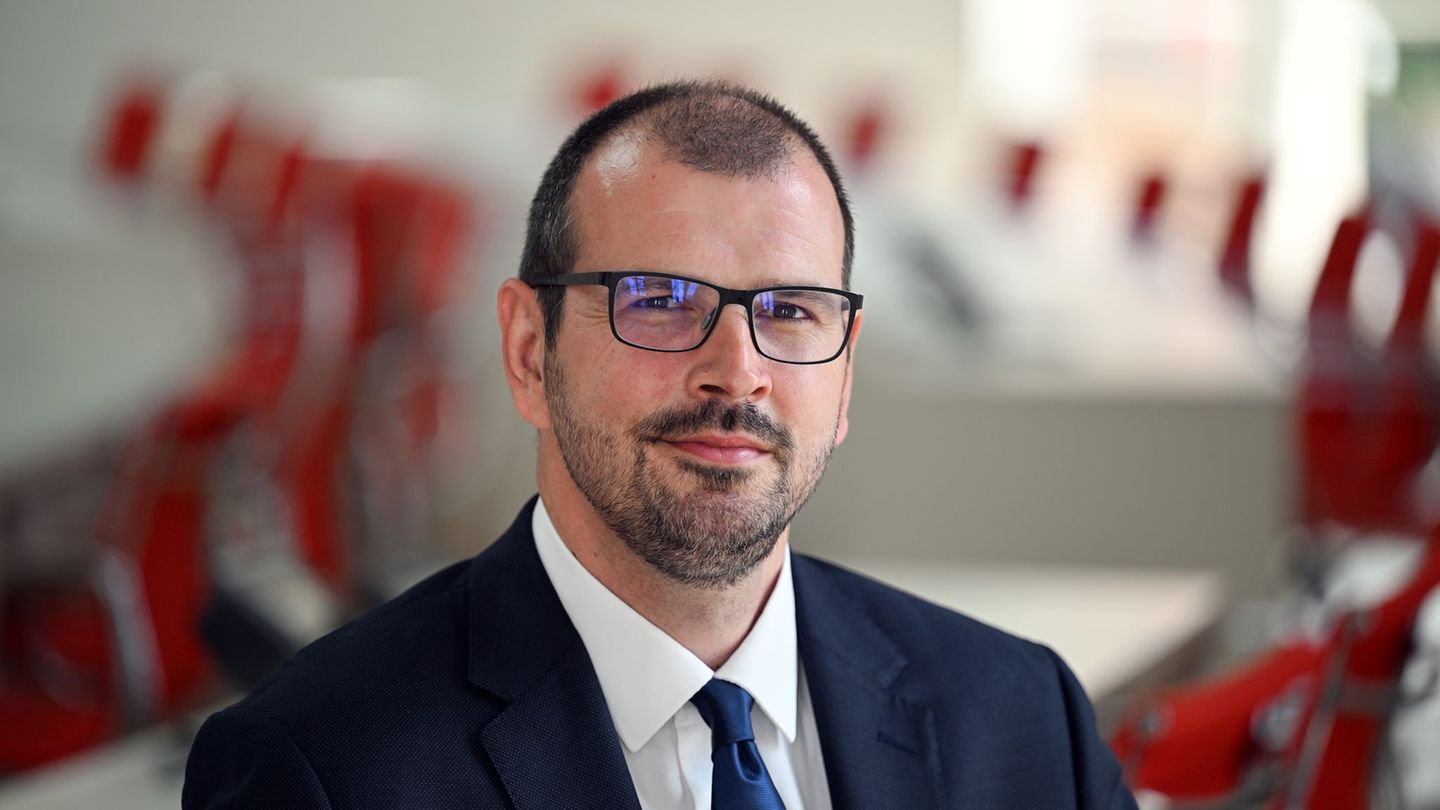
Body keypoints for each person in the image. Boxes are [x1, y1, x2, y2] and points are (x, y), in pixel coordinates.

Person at [184, 80, 1137, 809]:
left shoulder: (1021, 722)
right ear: (529, 353)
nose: (738, 371)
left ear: (843, 375)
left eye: (792, 311)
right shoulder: (320, 770)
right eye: (661, 301)